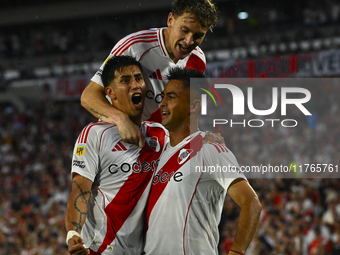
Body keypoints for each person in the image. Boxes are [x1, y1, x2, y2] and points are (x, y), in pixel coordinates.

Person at [143, 67, 262, 255]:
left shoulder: (210, 149)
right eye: (163, 97)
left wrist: (237, 252)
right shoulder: (156, 154)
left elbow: (251, 202)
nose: (163, 103)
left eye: (172, 97)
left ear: (193, 105)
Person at [64, 56, 169, 255]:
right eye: (126, 80)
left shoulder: (161, 135)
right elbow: (80, 191)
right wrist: (73, 234)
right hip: (101, 250)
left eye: (138, 78)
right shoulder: (94, 134)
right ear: (109, 93)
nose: (135, 85)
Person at [80, 0, 218, 148]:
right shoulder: (134, 47)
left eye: (198, 35)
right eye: (184, 30)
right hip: (119, 141)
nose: (189, 41)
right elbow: (89, 96)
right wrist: (121, 120)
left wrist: (199, 137)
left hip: (158, 147)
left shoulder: (197, 61)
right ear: (170, 20)